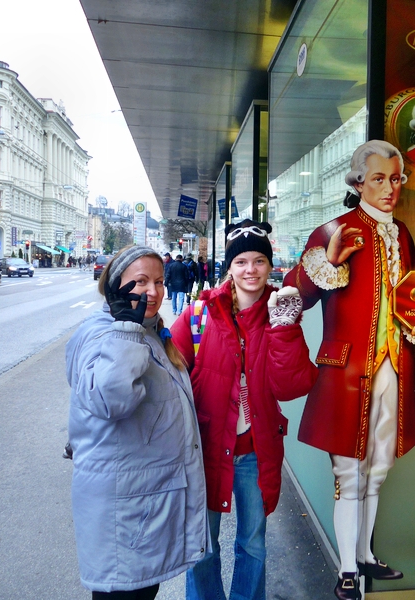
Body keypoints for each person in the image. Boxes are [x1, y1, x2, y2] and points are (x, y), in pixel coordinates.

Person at [283, 140, 415, 599]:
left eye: (395, 179)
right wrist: (326, 264)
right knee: (349, 473)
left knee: (378, 468)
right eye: (378, 179)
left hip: (395, 367)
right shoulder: (334, 229)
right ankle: (347, 567)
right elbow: (295, 295)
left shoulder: (403, 234)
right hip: (348, 371)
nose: (390, 188)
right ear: (357, 183)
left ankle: (366, 555)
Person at [171, 219, 317, 600]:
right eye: (241, 262)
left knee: (253, 543)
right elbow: (169, 372)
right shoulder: (201, 314)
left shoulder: (282, 313)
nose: (250, 270)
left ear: (270, 266)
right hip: (205, 448)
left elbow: (292, 386)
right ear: (230, 268)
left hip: (255, 450)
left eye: (258, 261)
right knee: (203, 546)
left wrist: (283, 328)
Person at [65, 246, 209, 600]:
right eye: (140, 281)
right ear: (115, 288)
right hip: (126, 512)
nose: (154, 292)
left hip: (142, 505)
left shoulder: (146, 331)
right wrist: (126, 327)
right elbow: (109, 400)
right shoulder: (107, 332)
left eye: (159, 281)